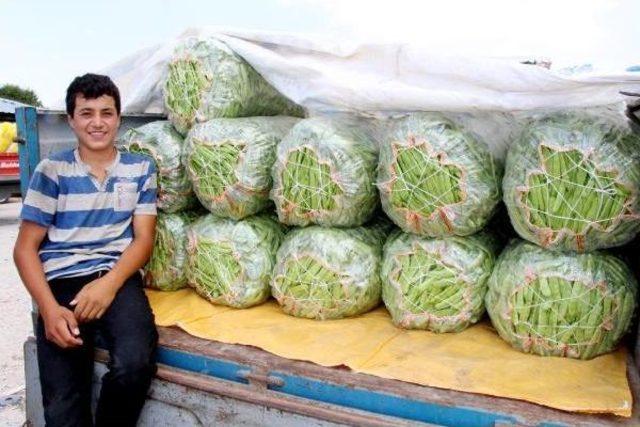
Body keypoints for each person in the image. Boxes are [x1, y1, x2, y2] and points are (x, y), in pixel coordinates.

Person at [13, 73, 158, 426]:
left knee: (135, 364)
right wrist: (49, 309)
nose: (97, 123)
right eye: (87, 113)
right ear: (71, 120)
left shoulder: (140, 168)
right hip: (62, 282)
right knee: (64, 404)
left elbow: (143, 239)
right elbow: (25, 249)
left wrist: (108, 285)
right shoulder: (53, 171)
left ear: (119, 118)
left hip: (116, 277)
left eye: (106, 113)